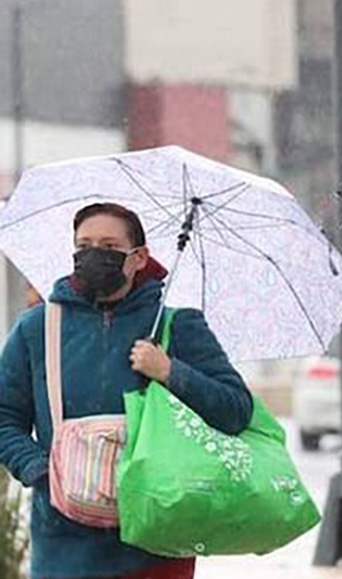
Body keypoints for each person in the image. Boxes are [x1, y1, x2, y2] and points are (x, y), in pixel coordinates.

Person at [0, 202, 253, 579]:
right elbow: (4, 417)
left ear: (138, 257)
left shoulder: (177, 325)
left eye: (108, 245)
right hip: (65, 545)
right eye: (83, 246)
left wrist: (170, 372)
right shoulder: (37, 328)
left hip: (157, 539)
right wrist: (40, 472)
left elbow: (235, 410)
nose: (93, 255)